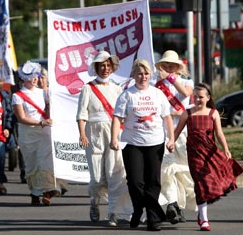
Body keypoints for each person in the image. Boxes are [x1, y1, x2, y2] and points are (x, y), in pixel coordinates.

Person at [110, 58, 175, 231]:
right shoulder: (127, 95)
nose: (143, 76)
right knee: (135, 182)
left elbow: (167, 117)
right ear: (133, 75)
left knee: (153, 181)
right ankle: (138, 208)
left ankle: (154, 219)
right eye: (139, 73)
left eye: (146, 73)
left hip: (155, 143)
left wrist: (171, 138)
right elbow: (117, 118)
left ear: (150, 74)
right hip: (132, 144)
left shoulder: (157, 94)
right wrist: (114, 138)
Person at [173, 83, 243, 231]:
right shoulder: (188, 113)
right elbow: (177, 131)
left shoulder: (213, 113)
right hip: (194, 154)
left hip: (209, 152)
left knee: (208, 181)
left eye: (201, 97)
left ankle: (201, 214)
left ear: (208, 98)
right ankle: (204, 219)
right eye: (195, 97)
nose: (198, 100)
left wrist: (226, 149)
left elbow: (219, 133)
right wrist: (171, 142)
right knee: (200, 183)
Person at [76, 51, 132, 227]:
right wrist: (82, 133)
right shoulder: (87, 88)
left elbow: (122, 114)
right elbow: (81, 114)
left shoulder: (117, 88)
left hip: (113, 132)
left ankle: (113, 211)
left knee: (114, 173)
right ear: (96, 67)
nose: (105, 68)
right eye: (102, 65)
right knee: (97, 176)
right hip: (93, 133)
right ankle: (94, 201)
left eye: (108, 65)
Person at [154, 50, 196, 224]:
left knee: (183, 172)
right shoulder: (156, 85)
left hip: (182, 131)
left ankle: (178, 206)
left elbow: (186, 93)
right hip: (163, 131)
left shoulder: (187, 81)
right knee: (167, 169)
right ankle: (171, 204)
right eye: (166, 64)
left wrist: (171, 78)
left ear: (179, 66)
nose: (170, 67)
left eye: (173, 64)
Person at [12, 61, 60, 206]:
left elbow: (52, 109)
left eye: (36, 76)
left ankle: (47, 191)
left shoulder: (44, 93)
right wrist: (40, 123)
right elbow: (21, 117)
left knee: (46, 162)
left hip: (44, 132)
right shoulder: (17, 96)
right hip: (28, 133)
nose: (35, 79)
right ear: (24, 79)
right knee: (32, 164)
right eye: (32, 76)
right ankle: (34, 192)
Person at [37, 67, 69, 196]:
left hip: (55, 128)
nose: (40, 80)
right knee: (45, 160)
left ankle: (59, 183)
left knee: (56, 158)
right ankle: (49, 186)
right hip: (40, 128)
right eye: (38, 77)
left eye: (42, 77)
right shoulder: (33, 94)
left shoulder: (53, 92)